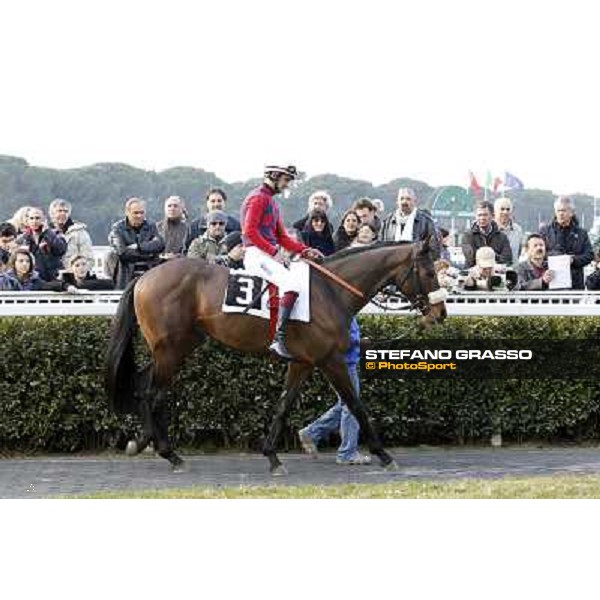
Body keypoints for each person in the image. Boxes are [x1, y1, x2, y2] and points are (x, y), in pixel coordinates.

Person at [240, 164, 323, 359]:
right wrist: (272, 251)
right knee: (292, 284)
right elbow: (249, 231)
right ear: (274, 176)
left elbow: (283, 238)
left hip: (266, 254)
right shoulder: (259, 198)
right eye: (286, 180)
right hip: (256, 255)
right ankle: (278, 339)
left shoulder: (271, 202)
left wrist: (306, 250)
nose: (287, 185)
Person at [298, 318, 371, 465]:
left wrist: (359, 342)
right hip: (344, 365)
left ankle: (311, 433)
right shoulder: (341, 311)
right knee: (352, 407)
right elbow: (338, 339)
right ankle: (347, 453)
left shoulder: (341, 310)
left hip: (341, 364)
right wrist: (359, 343)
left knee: (346, 404)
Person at [108, 197, 165, 289]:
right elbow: (123, 253)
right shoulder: (118, 229)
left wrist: (138, 247)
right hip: (126, 274)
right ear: (127, 212)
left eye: (142, 213)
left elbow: (160, 245)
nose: (139, 216)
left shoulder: (151, 226)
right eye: (136, 213)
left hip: (150, 272)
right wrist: (148, 252)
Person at [539, 196, 593, 290]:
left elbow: (589, 255)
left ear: (571, 213)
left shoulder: (582, 233)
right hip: (552, 282)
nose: (560, 214)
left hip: (575, 284)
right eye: (558, 211)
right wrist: (557, 257)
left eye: (564, 211)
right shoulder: (545, 231)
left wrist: (573, 260)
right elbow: (538, 253)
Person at [379, 187, 440, 258]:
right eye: (401, 199)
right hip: (392, 265)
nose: (404, 202)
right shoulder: (387, 222)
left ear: (414, 201)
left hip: (416, 264)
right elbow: (381, 247)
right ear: (397, 202)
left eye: (408, 199)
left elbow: (434, 247)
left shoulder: (426, 221)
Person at [16, 207, 68, 281]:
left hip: (54, 278)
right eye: (31, 218)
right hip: (33, 279)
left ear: (43, 220)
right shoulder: (22, 239)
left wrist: (48, 232)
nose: (34, 221)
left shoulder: (55, 234)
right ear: (27, 221)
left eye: (37, 218)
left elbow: (61, 250)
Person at [461, 200, 512, 268]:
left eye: (485, 215)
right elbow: (471, 258)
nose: (482, 218)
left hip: (496, 274)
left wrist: (485, 255)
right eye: (479, 215)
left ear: (492, 216)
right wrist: (494, 256)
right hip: (473, 274)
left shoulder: (502, 237)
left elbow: (507, 259)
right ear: (475, 217)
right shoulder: (468, 236)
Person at [48, 198, 94, 269]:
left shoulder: (80, 233)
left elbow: (88, 258)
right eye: (59, 211)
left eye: (66, 211)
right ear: (51, 214)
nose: (63, 214)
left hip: (72, 275)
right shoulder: (45, 233)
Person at [494, 196, 523, 266]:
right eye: (502, 209)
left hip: (513, 272)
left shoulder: (518, 230)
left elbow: (518, 253)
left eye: (508, 209)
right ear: (495, 211)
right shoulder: (489, 230)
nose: (505, 212)